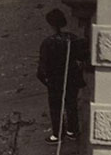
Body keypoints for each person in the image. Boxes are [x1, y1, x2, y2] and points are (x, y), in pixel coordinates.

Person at [36, 8, 87, 142]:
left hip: (55, 80)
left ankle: (58, 134)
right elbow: (82, 56)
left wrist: (45, 80)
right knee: (71, 104)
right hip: (71, 77)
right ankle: (73, 130)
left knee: (55, 107)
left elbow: (42, 68)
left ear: (51, 25)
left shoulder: (47, 43)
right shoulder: (72, 38)